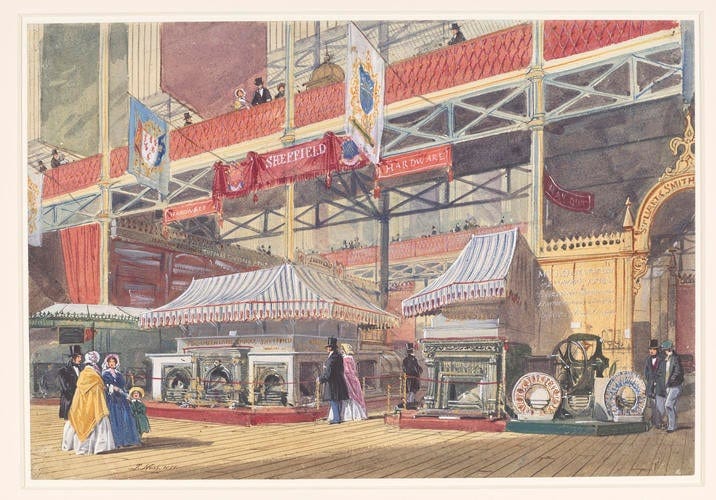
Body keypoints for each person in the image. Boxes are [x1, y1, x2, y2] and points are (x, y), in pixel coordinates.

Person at [61, 351, 116, 455]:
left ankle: (76, 445)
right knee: (97, 419)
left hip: (81, 403)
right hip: (95, 404)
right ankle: (98, 447)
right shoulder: (95, 375)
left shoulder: (83, 374)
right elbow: (99, 391)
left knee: (79, 419)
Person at [102, 354, 141, 447]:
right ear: (107, 363)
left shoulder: (119, 374)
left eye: (114, 362)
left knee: (125, 418)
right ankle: (117, 441)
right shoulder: (105, 373)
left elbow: (122, 386)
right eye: (110, 362)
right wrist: (115, 389)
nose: (112, 363)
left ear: (116, 363)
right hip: (112, 399)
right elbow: (108, 386)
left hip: (121, 399)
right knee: (115, 419)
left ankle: (128, 440)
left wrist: (126, 394)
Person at [317, 336, 349, 424]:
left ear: (331, 348)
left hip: (333, 382)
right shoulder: (338, 356)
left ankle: (336, 419)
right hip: (339, 380)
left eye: (328, 347)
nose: (327, 349)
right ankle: (338, 418)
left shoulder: (332, 358)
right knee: (338, 400)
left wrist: (321, 379)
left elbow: (328, 372)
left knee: (333, 400)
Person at [655, 339, 684, 433]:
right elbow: (661, 371)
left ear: (669, 349)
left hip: (675, 386)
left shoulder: (675, 358)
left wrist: (670, 380)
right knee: (672, 405)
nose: (664, 351)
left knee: (668, 405)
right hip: (667, 386)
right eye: (664, 350)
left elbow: (678, 372)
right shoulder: (665, 359)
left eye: (665, 350)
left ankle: (671, 426)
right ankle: (673, 425)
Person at [339, 344, 368, 421]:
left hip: (348, 379)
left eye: (342, 349)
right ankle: (356, 414)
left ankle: (350, 415)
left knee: (350, 396)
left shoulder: (345, 359)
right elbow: (354, 370)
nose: (341, 350)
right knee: (354, 396)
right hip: (353, 379)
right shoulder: (351, 358)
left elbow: (347, 371)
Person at [58, 345, 83, 420]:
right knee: (70, 423)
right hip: (70, 400)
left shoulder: (82, 369)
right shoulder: (63, 371)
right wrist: (75, 396)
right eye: (78, 357)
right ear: (73, 358)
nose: (80, 359)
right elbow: (65, 388)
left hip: (80, 399)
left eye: (80, 357)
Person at [643, 338, 664, 429]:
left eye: (653, 349)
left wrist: (657, 381)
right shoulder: (648, 359)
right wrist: (650, 381)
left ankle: (658, 422)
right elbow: (646, 372)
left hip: (659, 385)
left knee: (660, 406)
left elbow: (663, 372)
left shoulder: (662, 359)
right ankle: (655, 421)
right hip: (650, 385)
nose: (651, 351)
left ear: (657, 350)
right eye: (650, 349)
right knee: (652, 405)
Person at [402, 343, 423, 408]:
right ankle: (410, 401)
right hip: (413, 377)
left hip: (409, 377)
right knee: (413, 389)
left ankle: (410, 400)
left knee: (411, 389)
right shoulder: (413, 359)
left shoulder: (405, 359)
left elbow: (404, 368)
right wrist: (419, 370)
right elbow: (415, 368)